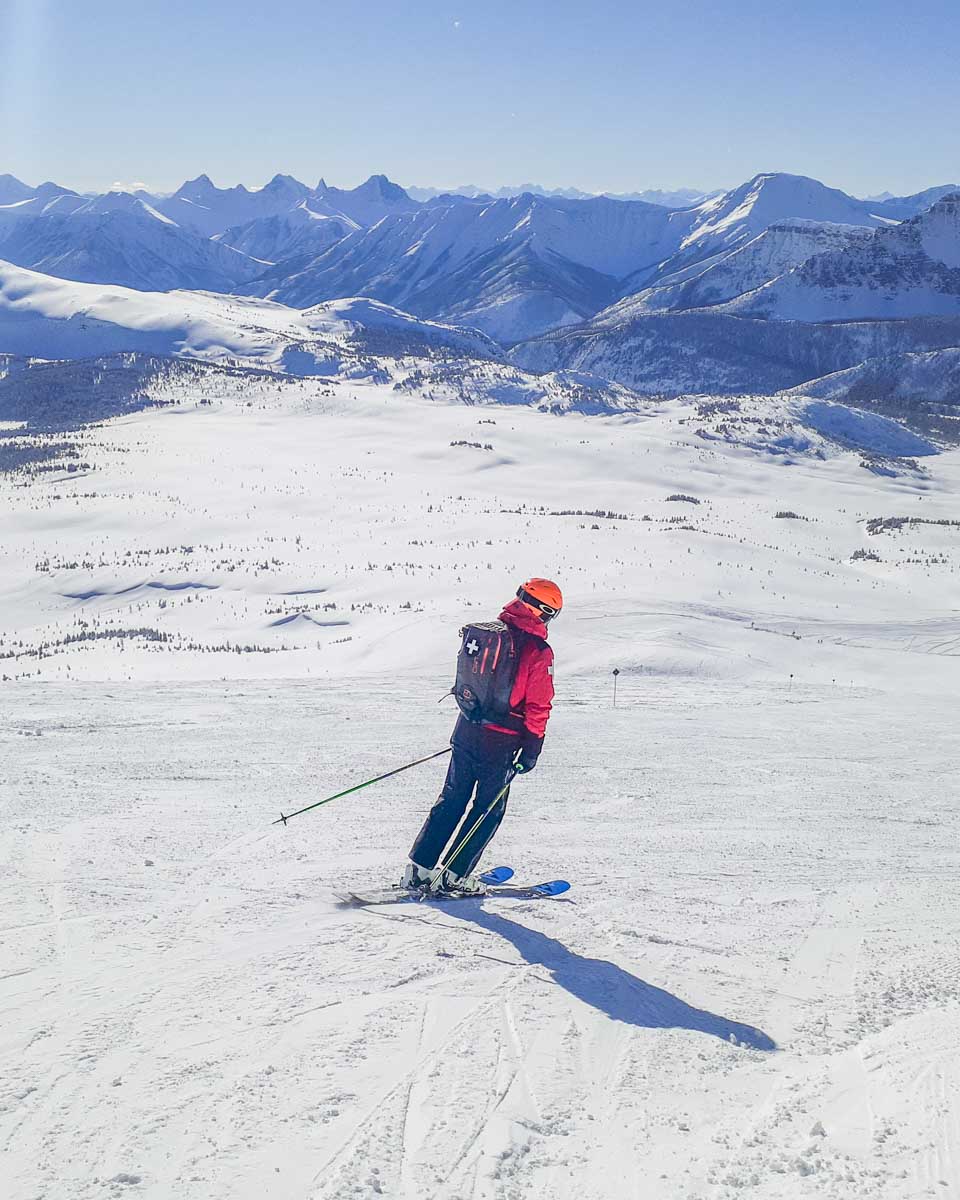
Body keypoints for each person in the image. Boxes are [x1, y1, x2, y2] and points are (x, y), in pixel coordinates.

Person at [402, 578, 562, 894]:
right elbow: (539, 703)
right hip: (501, 740)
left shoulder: (488, 633)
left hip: (466, 728)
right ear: (542, 610)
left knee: (452, 798)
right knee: (488, 808)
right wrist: (532, 747)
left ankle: (418, 870)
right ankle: (455, 876)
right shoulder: (537, 649)